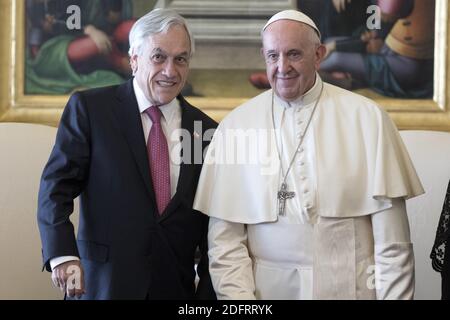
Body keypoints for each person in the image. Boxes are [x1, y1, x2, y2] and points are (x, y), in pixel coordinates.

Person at [193, 10, 424, 300]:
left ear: (319, 55)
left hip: (351, 288)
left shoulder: (368, 118)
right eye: (273, 56)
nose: (282, 67)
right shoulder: (235, 126)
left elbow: (394, 247)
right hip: (267, 293)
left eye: (294, 54)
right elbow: (225, 247)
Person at [37, 8, 217, 300]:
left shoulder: (206, 130)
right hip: (102, 286)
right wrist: (62, 255)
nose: (170, 71)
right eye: (158, 57)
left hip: (175, 289)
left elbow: (214, 226)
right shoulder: (91, 110)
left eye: (180, 59)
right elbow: (55, 189)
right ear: (134, 59)